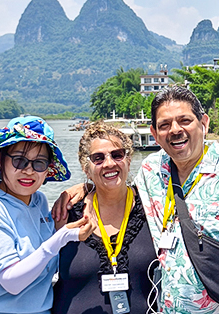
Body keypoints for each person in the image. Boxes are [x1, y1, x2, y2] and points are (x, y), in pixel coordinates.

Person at [55, 86, 219, 314]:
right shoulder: (151, 170)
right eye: (165, 125)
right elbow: (115, 184)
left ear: (204, 123)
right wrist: (86, 186)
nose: (175, 130)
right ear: (154, 133)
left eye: (184, 120)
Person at [0, 116, 94, 314]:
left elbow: (44, 263)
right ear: (1, 161)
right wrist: (62, 236)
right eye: (19, 161)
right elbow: (12, 282)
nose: (29, 171)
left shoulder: (38, 201)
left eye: (39, 163)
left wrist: (87, 188)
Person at [53, 121, 158, 314]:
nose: (109, 163)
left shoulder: (152, 208)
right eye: (98, 158)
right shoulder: (66, 214)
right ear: (86, 168)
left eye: (117, 155)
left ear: (128, 159)